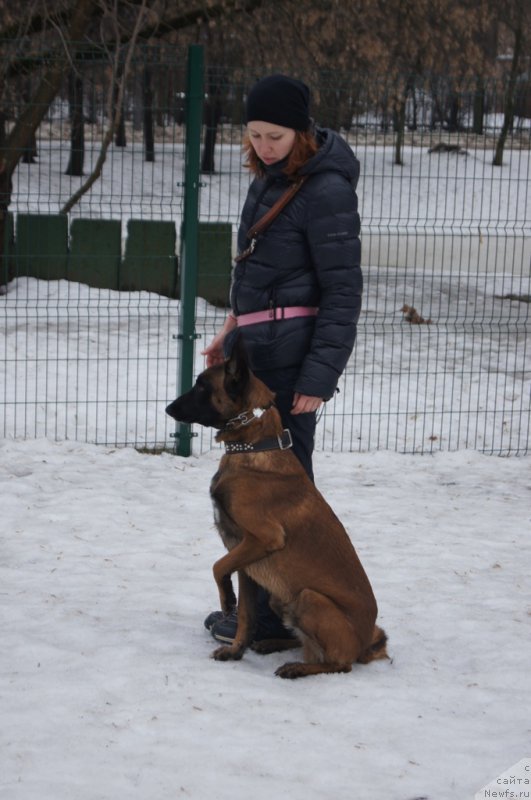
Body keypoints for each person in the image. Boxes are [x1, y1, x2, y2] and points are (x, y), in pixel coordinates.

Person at [201, 74, 362, 645]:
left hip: (293, 368)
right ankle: (264, 616)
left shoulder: (327, 190)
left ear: (302, 131)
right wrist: (232, 328)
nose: (265, 146)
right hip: (258, 355)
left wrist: (320, 377)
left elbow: (343, 292)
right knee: (253, 489)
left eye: (276, 136)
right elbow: (257, 269)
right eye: (255, 135)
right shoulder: (268, 180)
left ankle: (273, 621)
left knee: (286, 495)